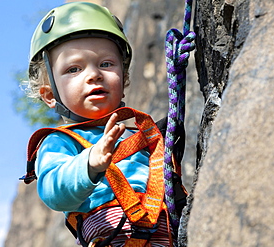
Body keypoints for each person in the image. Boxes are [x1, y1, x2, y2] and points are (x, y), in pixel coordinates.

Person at [25, 2, 174, 247]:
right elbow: (53, 193)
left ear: (124, 79)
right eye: (74, 68)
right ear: (50, 95)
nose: (94, 74)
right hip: (112, 238)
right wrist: (90, 163)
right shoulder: (60, 142)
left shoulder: (143, 136)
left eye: (106, 64)